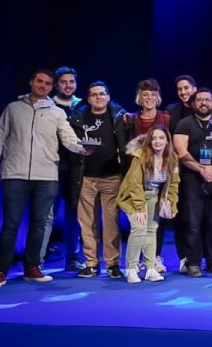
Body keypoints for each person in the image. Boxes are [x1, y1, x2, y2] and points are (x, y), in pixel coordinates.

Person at [0, 69, 91, 288]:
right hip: (15, 174)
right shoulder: (13, 108)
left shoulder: (57, 113)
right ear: (32, 82)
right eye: (40, 82)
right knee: (10, 225)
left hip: (46, 176)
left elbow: (68, 138)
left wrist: (82, 148)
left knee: (40, 224)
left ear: (52, 87)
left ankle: (32, 267)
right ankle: (0, 270)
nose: (43, 86)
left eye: (48, 83)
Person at [173, 88, 212, 277]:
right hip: (191, 177)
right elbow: (182, 153)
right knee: (192, 222)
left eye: (207, 100)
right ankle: (193, 262)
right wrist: (202, 170)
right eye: (199, 100)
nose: (203, 103)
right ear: (193, 103)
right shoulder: (184, 124)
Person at [73, 81, 130, 279]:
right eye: (94, 95)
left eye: (102, 94)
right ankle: (91, 263)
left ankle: (112, 264)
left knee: (111, 222)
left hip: (112, 177)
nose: (98, 97)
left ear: (108, 96)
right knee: (87, 223)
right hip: (85, 177)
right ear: (88, 99)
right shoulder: (77, 117)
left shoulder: (119, 117)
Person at [117, 125, 179, 283]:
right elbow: (134, 183)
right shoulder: (140, 156)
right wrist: (139, 208)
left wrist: (172, 204)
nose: (157, 141)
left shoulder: (172, 158)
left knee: (152, 230)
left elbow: (174, 183)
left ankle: (150, 268)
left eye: (161, 138)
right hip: (135, 197)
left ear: (167, 141)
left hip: (155, 196)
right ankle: (130, 268)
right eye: (154, 138)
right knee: (139, 229)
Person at [125, 79, 173, 274]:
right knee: (139, 221)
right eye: (145, 95)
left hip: (160, 174)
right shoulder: (130, 119)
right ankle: (134, 262)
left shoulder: (166, 118)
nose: (149, 98)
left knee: (156, 221)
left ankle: (153, 258)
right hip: (138, 175)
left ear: (158, 97)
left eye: (153, 95)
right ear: (139, 98)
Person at [41, 66, 83, 272]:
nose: (68, 85)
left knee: (74, 214)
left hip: (75, 168)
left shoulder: (82, 106)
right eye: (64, 82)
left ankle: (73, 256)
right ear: (56, 85)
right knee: (46, 213)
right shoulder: (46, 105)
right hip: (51, 166)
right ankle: (39, 255)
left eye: (71, 82)